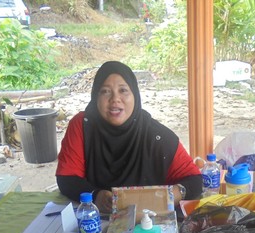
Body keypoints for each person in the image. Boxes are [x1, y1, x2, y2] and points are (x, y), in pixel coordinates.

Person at [57, 61, 203, 213]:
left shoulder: (155, 135)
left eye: (123, 90)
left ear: (135, 95)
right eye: (105, 91)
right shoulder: (83, 125)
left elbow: (194, 180)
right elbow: (67, 178)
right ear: (95, 96)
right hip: (95, 220)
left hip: (147, 222)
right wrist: (96, 196)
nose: (115, 99)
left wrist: (169, 196)